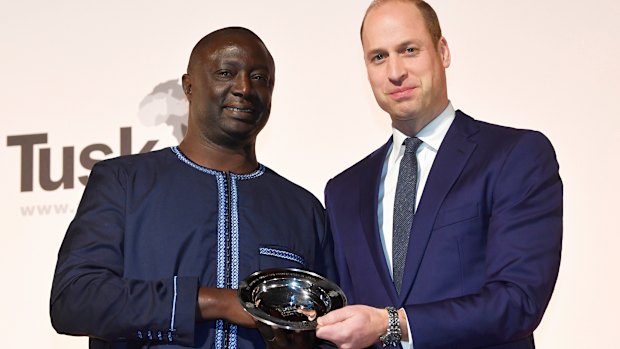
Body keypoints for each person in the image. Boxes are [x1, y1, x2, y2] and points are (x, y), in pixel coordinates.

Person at [50, 27, 336, 349]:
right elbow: (74, 300)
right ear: (189, 86)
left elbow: (332, 328)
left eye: (259, 78)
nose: (244, 88)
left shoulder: (303, 209)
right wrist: (214, 302)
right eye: (226, 73)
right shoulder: (124, 181)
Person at [315, 1, 562, 348]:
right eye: (379, 57)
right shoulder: (343, 191)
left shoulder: (514, 156)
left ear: (442, 51)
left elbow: (518, 301)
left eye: (409, 50)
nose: (395, 71)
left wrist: (393, 324)